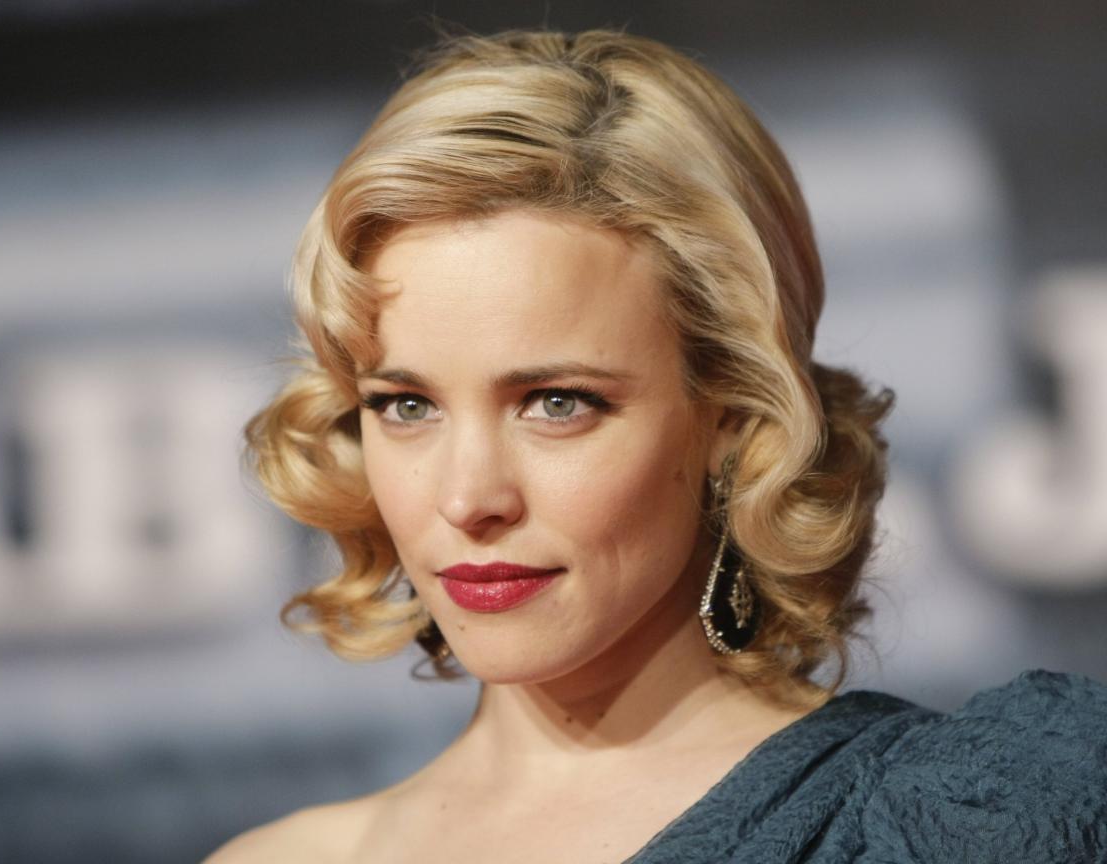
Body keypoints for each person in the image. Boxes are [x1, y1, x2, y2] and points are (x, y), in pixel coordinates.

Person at [208, 29, 1107, 864]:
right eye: (407, 406)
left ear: (736, 416)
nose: (468, 498)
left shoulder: (973, 824)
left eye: (556, 403)